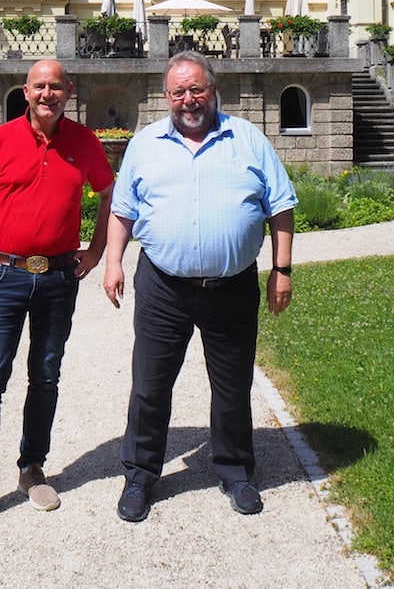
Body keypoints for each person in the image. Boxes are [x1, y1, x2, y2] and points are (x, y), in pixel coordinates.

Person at [103, 51, 297, 522]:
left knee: (231, 386)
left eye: (197, 89)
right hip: (162, 288)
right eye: (178, 92)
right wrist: (113, 262)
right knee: (150, 386)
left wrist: (282, 269)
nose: (188, 100)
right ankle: (140, 477)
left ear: (213, 90)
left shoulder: (247, 139)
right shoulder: (145, 143)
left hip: (231, 288)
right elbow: (122, 209)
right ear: (166, 97)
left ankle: (235, 471)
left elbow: (281, 205)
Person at [0, 59, 114, 541]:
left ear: (69, 91)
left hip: (59, 276)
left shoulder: (83, 142)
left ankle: (32, 468)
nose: (48, 94)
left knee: (45, 376)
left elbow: (109, 194)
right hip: (2, 276)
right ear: (26, 92)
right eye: (40, 86)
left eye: (56, 87)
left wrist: (97, 250)